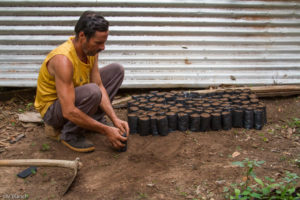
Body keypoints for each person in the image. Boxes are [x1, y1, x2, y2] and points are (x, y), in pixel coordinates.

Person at [34, 11, 129, 153]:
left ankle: (93, 120)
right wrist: (106, 130)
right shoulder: (63, 60)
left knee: (116, 71)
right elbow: (68, 111)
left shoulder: (91, 51)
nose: (103, 47)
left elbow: (98, 84)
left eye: (104, 42)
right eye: (98, 43)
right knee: (92, 91)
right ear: (82, 36)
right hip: (54, 110)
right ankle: (70, 134)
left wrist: (114, 119)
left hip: (77, 95)